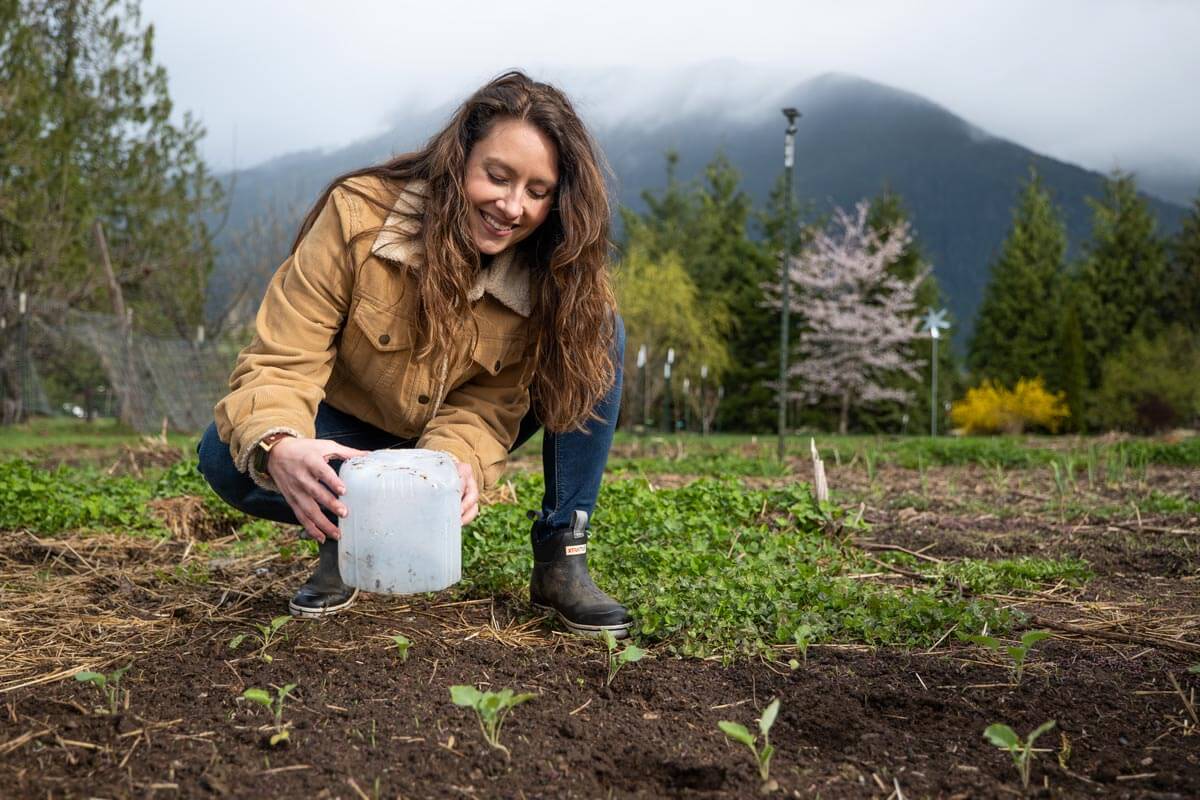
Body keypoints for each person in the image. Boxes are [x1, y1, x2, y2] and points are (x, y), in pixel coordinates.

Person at [197, 71, 631, 638]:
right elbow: (283, 356)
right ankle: (344, 533)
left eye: (537, 191)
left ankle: (561, 557)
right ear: (459, 160)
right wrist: (280, 442)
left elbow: (489, 401)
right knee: (224, 456)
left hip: (435, 446)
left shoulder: (545, 269)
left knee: (596, 324)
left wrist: (456, 463)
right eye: (497, 176)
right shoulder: (357, 216)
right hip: (346, 437)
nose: (512, 206)